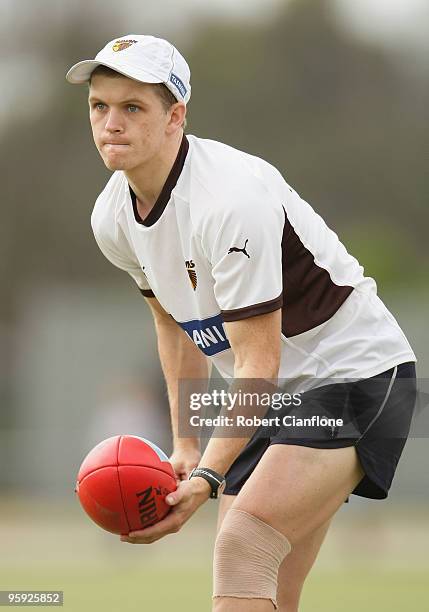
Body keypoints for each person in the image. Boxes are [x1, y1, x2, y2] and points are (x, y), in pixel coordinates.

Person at [66, 35, 417, 612]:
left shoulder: (229, 198)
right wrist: (184, 445)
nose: (110, 123)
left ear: (175, 116)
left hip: (356, 377)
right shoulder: (112, 217)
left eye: (133, 107)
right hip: (275, 396)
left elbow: (259, 362)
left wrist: (205, 478)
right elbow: (175, 325)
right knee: (258, 589)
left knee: (242, 545)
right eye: (99, 106)